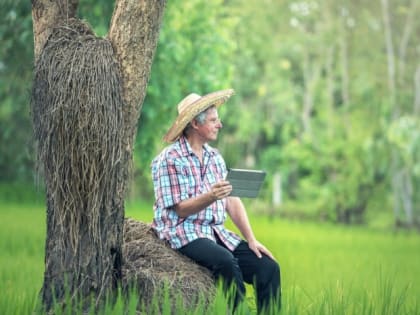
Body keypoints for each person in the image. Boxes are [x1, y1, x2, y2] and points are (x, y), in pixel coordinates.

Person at [151, 89, 281, 314]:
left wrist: (251, 239)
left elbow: (232, 200)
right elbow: (180, 210)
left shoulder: (215, 158)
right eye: (213, 120)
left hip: (214, 232)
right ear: (194, 124)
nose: (219, 124)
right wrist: (210, 196)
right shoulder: (169, 160)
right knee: (226, 261)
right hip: (182, 232)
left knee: (268, 267)